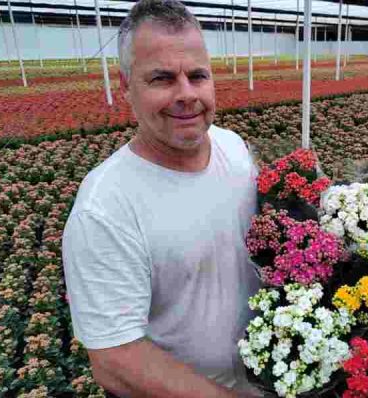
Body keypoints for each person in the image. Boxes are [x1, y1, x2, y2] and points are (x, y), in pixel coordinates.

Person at [62, 0, 261, 396]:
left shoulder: (234, 149)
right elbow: (117, 359)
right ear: (125, 85)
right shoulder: (106, 207)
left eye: (198, 75)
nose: (186, 94)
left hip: (269, 380)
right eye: (162, 78)